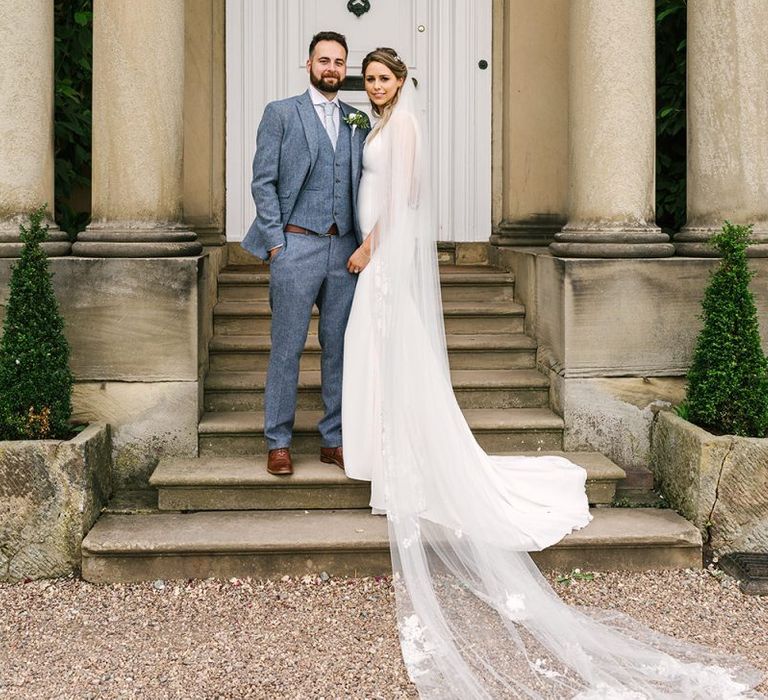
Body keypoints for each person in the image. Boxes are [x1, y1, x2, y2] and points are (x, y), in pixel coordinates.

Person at [342, 47, 764, 698]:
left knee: (396, 356)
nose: (374, 87)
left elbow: (404, 196)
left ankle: (406, 467)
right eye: (368, 79)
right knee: (383, 356)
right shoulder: (380, 124)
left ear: (402, 82)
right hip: (383, 251)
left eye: (383, 78)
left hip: (386, 253)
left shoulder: (406, 127)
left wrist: (371, 245)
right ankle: (389, 459)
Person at [241, 31, 369, 476]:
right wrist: (277, 243)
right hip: (295, 245)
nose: (331, 68)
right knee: (287, 348)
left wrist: (365, 243)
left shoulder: (358, 120)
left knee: (339, 348)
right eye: (324, 60)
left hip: (346, 252)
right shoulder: (281, 113)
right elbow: (263, 182)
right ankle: (278, 441)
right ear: (309, 64)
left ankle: (334, 439)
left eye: (338, 61)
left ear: (344, 68)